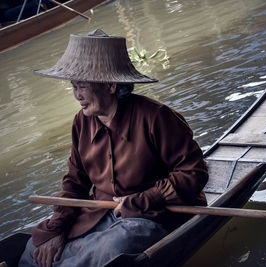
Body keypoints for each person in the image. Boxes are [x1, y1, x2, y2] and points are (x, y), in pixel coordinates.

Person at [18, 29, 208, 267]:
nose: (77, 95)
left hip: (155, 214)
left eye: (82, 86)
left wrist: (145, 198)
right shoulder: (82, 122)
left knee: (113, 249)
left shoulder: (156, 117)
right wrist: (59, 226)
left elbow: (194, 173)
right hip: (102, 212)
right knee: (33, 247)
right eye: (73, 86)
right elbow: (75, 183)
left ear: (110, 85)